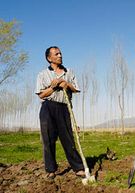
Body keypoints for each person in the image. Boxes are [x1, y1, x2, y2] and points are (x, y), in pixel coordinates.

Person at [35, 46, 85, 179]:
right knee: (48, 139)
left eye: (60, 53)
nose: (60, 55)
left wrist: (66, 84)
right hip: (48, 107)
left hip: (64, 107)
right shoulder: (42, 74)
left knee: (68, 138)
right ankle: (51, 169)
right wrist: (53, 86)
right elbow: (41, 95)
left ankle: (78, 167)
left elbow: (76, 89)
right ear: (49, 58)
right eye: (56, 54)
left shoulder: (69, 72)